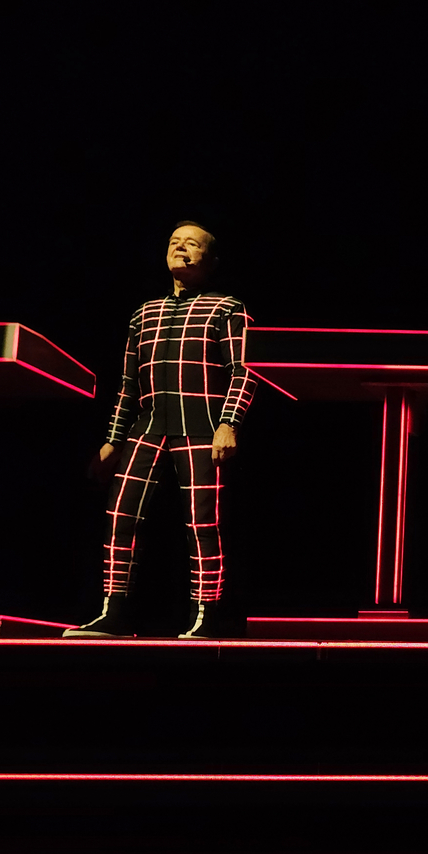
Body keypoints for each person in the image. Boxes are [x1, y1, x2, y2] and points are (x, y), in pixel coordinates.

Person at [65, 221, 252, 640]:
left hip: (201, 426)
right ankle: (113, 612)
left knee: (202, 522)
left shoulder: (226, 308)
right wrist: (113, 440)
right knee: (121, 514)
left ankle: (207, 614)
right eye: (174, 242)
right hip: (147, 428)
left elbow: (243, 371)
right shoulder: (144, 313)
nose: (181, 248)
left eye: (192, 244)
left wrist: (229, 423)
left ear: (212, 260)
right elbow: (127, 385)